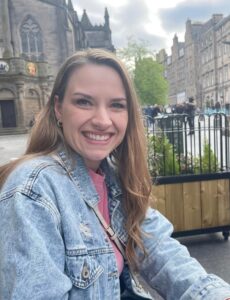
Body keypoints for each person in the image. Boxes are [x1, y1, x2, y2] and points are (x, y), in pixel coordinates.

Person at [0, 49, 230, 300]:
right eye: (84, 102)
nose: (102, 120)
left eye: (116, 105)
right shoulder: (33, 190)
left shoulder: (115, 178)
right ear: (58, 108)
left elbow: (162, 253)